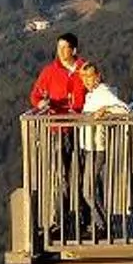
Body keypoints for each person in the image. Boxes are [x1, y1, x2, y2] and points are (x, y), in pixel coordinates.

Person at [27, 34, 89, 237]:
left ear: (74, 49)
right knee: (62, 176)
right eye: (58, 47)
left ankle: (85, 218)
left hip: (81, 128)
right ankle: (61, 220)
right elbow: (35, 95)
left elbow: (96, 89)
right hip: (58, 129)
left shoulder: (84, 69)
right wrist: (41, 104)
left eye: (65, 48)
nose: (61, 52)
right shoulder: (50, 71)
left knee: (83, 176)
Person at [71, 60, 131, 240]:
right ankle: (100, 224)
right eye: (84, 78)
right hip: (89, 146)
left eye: (90, 76)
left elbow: (125, 109)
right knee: (91, 188)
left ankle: (103, 225)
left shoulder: (103, 93)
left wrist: (106, 110)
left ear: (98, 76)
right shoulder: (92, 95)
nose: (87, 81)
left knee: (88, 190)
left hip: (97, 147)